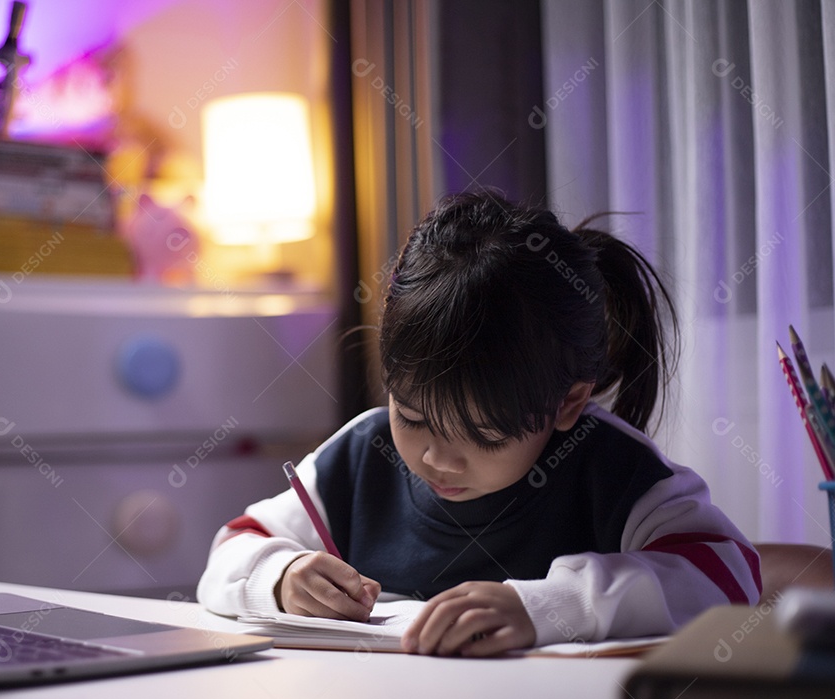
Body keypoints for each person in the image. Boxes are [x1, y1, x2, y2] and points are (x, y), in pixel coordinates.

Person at [196, 191, 760, 657]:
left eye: (485, 435)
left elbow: (731, 577)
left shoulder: (612, 470)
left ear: (569, 402)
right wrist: (280, 575)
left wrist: (549, 607)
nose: (437, 460)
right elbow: (230, 551)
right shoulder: (363, 455)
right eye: (413, 417)